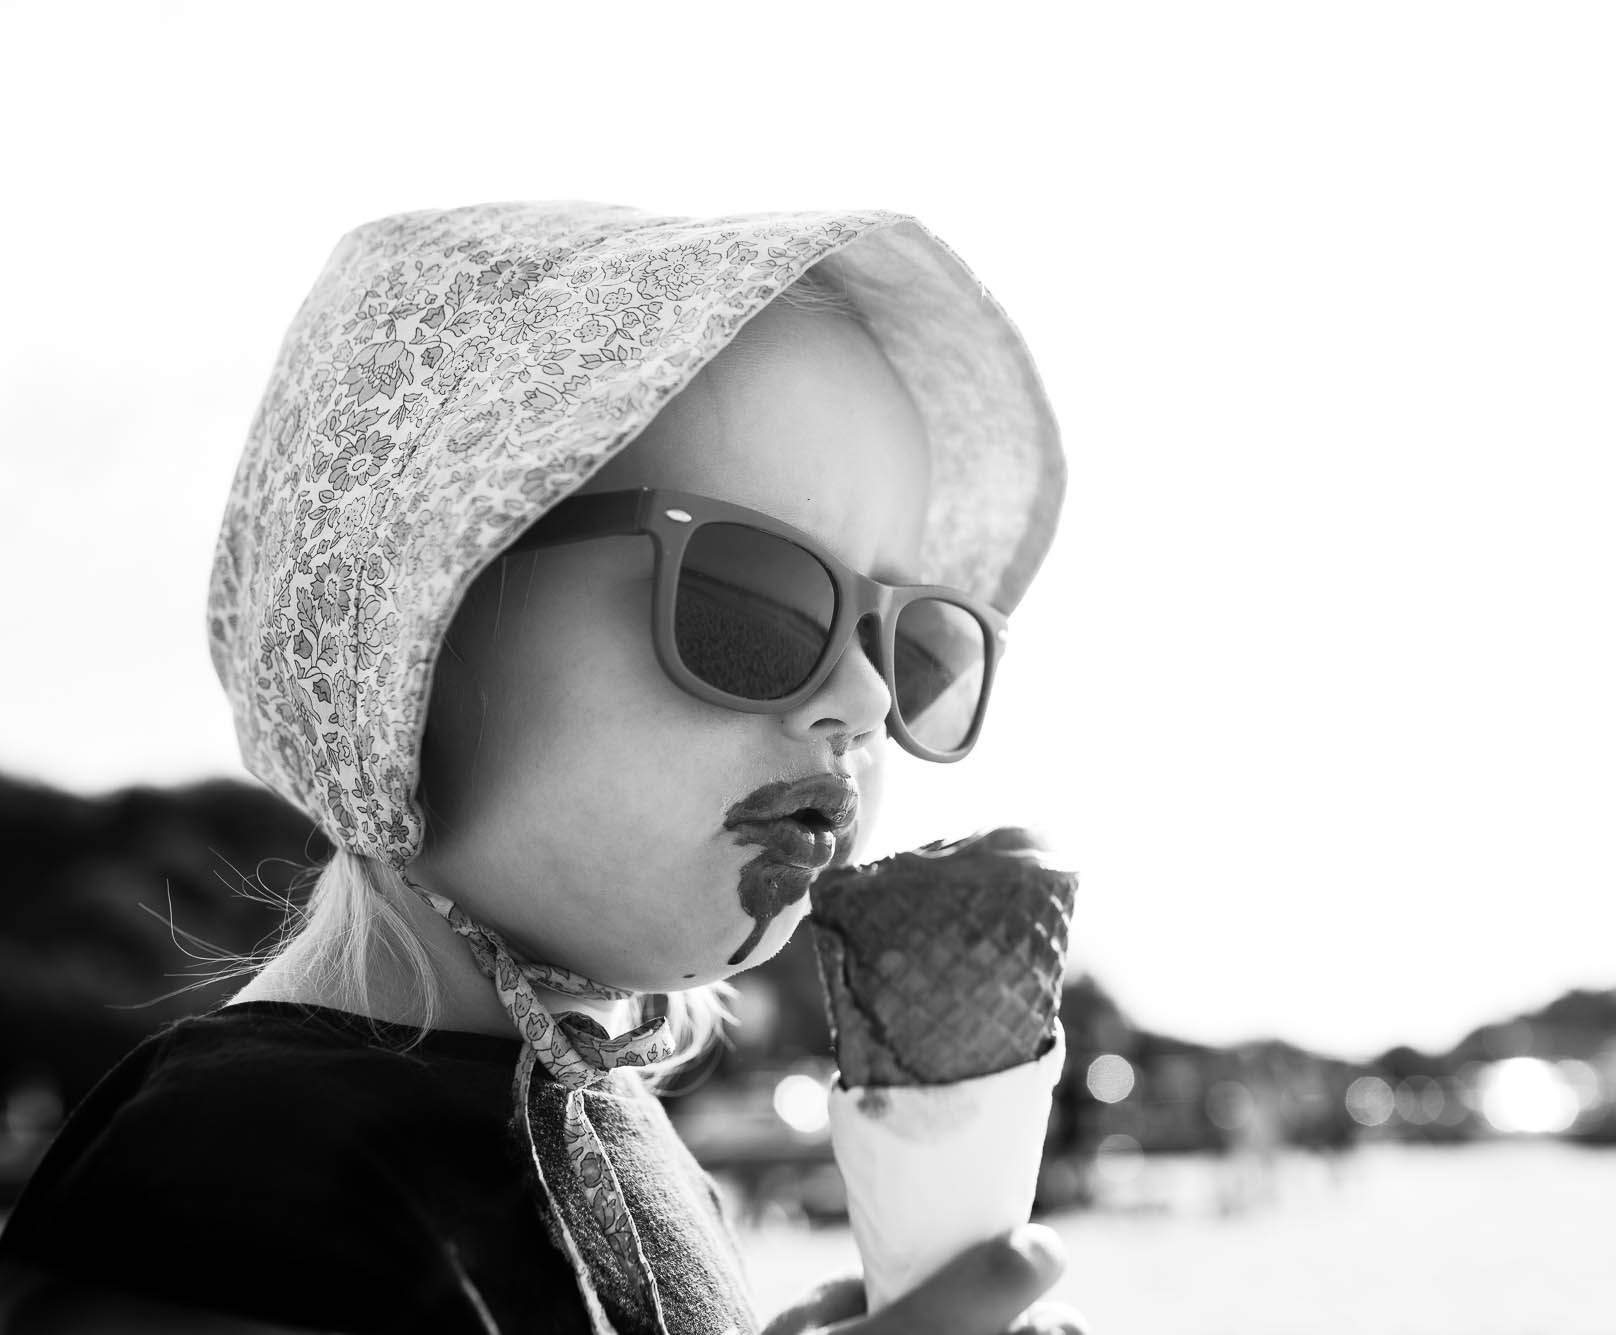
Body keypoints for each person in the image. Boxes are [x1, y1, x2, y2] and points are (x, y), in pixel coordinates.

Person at [0, 203, 1085, 1335]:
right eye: (753, 601)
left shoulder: (631, 1141)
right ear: (414, 626)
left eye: (911, 644)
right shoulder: (220, 1174)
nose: (864, 700)